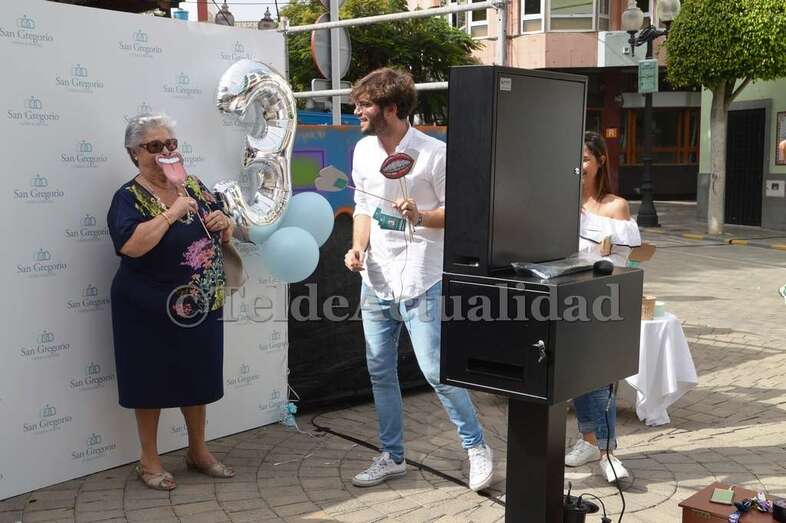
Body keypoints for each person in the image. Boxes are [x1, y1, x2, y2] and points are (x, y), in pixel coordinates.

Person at [344, 68, 494, 492]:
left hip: (423, 279)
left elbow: (461, 214)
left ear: (392, 108)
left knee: (435, 372)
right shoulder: (361, 150)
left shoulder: (435, 154)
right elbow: (363, 207)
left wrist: (421, 216)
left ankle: (476, 446)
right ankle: (392, 456)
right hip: (375, 279)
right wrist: (358, 248)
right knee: (379, 370)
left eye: (365, 104)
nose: (357, 110)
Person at [108, 114, 236, 491]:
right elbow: (131, 245)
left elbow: (224, 232)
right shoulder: (127, 197)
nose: (166, 151)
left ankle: (198, 451)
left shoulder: (194, 185)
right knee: (149, 381)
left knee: (198, 375)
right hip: (147, 305)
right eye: (154, 146)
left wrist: (223, 222)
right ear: (135, 154)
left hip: (198, 302)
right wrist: (170, 214)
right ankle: (148, 461)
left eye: (171, 144)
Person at [564, 131, 641, 482]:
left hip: (603, 301)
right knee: (575, 377)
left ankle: (608, 451)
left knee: (600, 380)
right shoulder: (560, 203)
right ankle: (589, 440)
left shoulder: (615, 206)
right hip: (565, 298)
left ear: (600, 162)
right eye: (574, 159)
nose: (578, 166)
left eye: (584, 159)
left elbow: (624, 260)